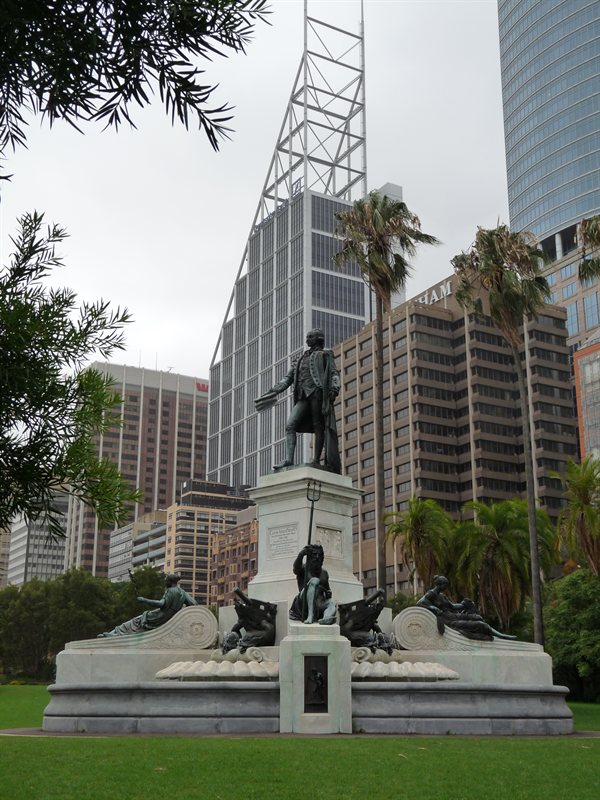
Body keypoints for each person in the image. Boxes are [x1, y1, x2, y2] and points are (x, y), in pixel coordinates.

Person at [254, 328, 341, 472]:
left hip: (317, 394)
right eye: (307, 337)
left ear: (318, 339)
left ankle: (316, 460)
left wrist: (335, 389)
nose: (307, 340)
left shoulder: (325, 355)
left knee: (318, 426)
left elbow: (334, 373)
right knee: (290, 425)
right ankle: (289, 459)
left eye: (310, 337)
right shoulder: (299, 359)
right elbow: (287, 379)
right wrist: (271, 392)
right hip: (302, 396)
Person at [416, 575, 516, 641]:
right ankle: (501, 636)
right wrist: (433, 608)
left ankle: (496, 634)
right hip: (448, 621)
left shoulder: (442, 596)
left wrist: (464, 604)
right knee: (480, 624)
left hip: (452, 616)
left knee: (477, 617)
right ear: (440, 585)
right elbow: (419, 603)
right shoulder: (431, 594)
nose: (446, 587)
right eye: (445, 585)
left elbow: (453, 606)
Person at [98, 573, 197, 637]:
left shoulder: (170, 591)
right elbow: (194, 604)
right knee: (138, 620)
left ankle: (115, 634)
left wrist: (144, 600)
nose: (165, 582)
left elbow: (162, 604)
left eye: (166, 580)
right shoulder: (182, 592)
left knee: (135, 621)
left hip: (160, 616)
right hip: (169, 616)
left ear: (169, 582)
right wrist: (180, 612)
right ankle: (114, 633)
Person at [289, 544, 336, 625]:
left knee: (331, 602)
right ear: (310, 556)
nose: (317, 557)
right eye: (314, 554)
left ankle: (326, 618)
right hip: (303, 601)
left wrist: (328, 593)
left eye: (319, 555)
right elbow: (295, 569)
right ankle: (310, 616)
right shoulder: (304, 568)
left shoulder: (324, 573)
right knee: (314, 580)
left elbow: (328, 590)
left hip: (318, 602)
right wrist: (301, 555)